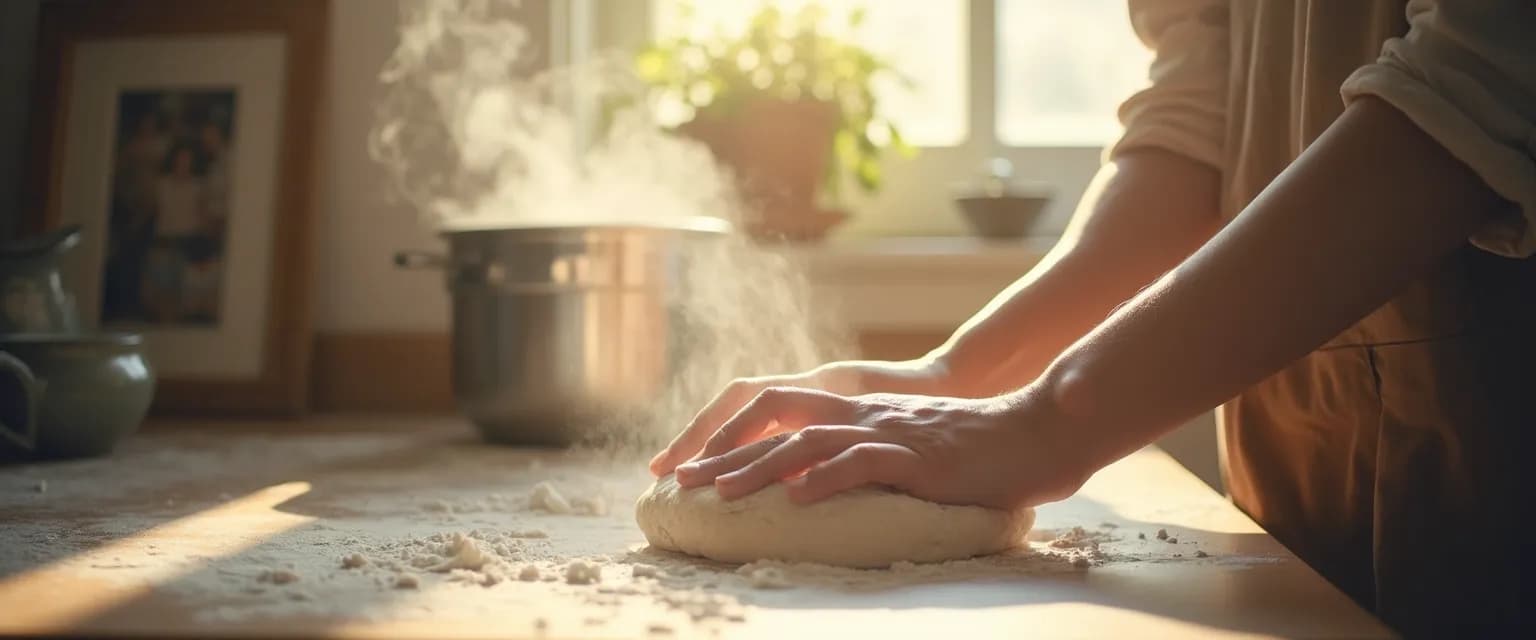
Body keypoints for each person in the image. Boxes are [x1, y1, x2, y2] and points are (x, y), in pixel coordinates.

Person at [648, 1, 1534, 636]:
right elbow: (1203, 117)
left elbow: (1478, 86)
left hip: (1491, 463)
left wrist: (1051, 418)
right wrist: (962, 374)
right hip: (1299, 475)